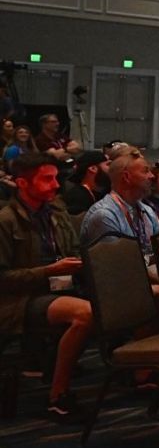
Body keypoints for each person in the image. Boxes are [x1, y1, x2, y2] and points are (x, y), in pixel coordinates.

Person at [0, 154, 91, 422]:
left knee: (124, 300)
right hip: (18, 300)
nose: (56, 185)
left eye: (56, 178)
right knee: (84, 314)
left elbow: (75, 251)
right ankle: (57, 396)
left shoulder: (56, 215)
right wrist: (49, 271)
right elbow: (3, 278)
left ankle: (140, 374)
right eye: (47, 179)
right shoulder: (6, 221)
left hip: (59, 288)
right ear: (22, 184)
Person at [80, 151, 159, 262]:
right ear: (126, 177)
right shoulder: (104, 216)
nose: (152, 176)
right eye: (146, 171)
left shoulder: (147, 211)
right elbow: (118, 267)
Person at [62, 149, 108, 214]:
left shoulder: (98, 193)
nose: (112, 168)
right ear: (93, 169)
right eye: (108, 164)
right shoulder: (78, 198)